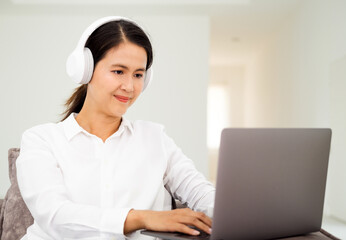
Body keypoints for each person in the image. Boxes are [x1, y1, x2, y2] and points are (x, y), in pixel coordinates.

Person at [16, 16, 215, 240]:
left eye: (138, 75)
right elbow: (54, 215)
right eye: (119, 71)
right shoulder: (41, 140)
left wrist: (231, 213)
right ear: (85, 70)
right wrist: (142, 218)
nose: (129, 87)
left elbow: (200, 192)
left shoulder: (155, 138)